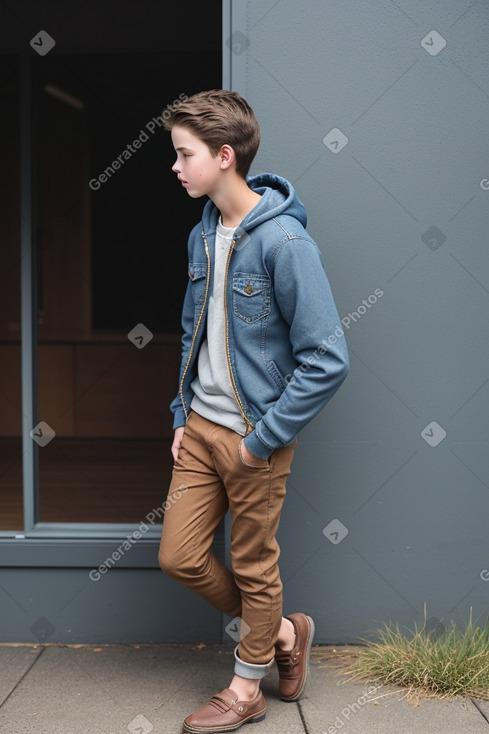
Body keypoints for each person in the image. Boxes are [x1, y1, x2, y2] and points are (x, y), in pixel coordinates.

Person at [158, 89, 349, 733]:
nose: (176, 167)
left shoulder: (285, 243)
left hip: (253, 438)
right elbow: (193, 333)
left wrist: (263, 439)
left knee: (252, 565)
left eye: (185, 155)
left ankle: (245, 689)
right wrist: (182, 414)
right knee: (179, 557)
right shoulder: (202, 235)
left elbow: (327, 357)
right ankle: (285, 638)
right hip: (203, 430)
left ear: (224, 155)